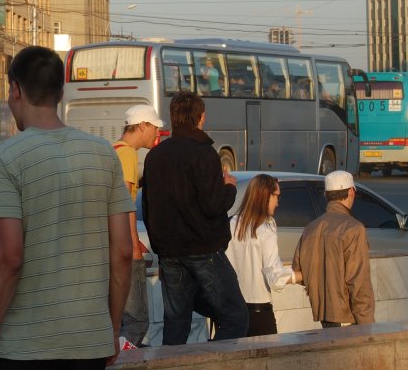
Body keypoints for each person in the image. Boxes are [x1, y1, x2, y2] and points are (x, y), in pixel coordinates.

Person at [0, 46, 133, 370]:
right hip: (88, 336)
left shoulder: (6, 157)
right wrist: (111, 330)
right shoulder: (104, 154)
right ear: (61, 93)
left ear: (15, 90)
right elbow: (122, 252)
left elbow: (10, 258)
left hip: (26, 344)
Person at [141, 91, 248, 345]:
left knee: (176, 324)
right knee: (235, 317)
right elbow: (213, 205)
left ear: (172, 119)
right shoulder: (204, 153)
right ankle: (210, 368)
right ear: (201, 117)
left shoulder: (154, 157)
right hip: (203, 249)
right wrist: (229, 186)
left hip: (169, 252)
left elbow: (148, 207)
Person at [292, 170, 374, 329]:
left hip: (324, 317)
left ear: (326, 195)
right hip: (348, 317)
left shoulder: (311, 228)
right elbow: (359, 283)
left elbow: (299, 271)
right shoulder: (354, 228)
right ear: (351, 192)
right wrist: (368, 327)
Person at [225, 174, 303, 336]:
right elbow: (275, 277)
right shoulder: (265, 229)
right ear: (266, 195)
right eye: (277, 196)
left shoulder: (230, 224)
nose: (278, 202)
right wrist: (303, 275)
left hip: (230, 313)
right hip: (259, 315)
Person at [112, 104, 163, 347]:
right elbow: (124, 204)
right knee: (136, 321)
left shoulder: (112, 149)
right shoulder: (128, 154)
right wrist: (133, 245)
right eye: (155, 127)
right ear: (142, 125)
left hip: (108, 246)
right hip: (121, 249)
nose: (157, 133)